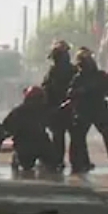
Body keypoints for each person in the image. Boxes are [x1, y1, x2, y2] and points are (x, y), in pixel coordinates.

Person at [64, 47, 108, 174]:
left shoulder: (97, 76)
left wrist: (102, 84)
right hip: (88, 111)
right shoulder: (81, 78)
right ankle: (80, 163)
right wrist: (82, 90)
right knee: (80, 137)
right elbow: (70, 93)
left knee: (105, 135)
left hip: (93, 110)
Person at [2, 86, 54, 173]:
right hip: (27, 145)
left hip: (32, 144)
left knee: (51, 162)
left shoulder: (19, 111)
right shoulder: (20, 111)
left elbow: (6, 128)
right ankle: (17, 158)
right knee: (29, 165)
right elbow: (6, 128)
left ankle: (18, 159)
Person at [41, 40, 75, 172]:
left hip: (60, 108)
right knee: (73, 137)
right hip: (65, 108)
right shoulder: (71, 69)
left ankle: (58, 161)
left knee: (59, 137)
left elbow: (46, 88)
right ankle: (77, 162)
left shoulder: (54, 71)